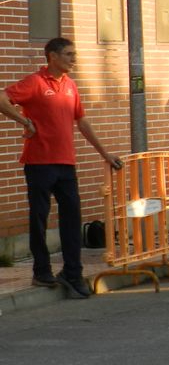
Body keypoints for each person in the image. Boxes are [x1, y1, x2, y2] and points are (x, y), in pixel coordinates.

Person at [0, 38, 123, 298]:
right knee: (39, 219)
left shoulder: (71, 86)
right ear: (52, 56)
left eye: (74, 54)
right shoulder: (35, 82)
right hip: (39, 163)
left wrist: (105, 153)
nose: (73, 58)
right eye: (68, 54)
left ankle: (72, 273)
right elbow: (2, 98)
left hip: (66, 164)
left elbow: (83, 122)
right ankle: (41, 272)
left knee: (72, 219)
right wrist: (24, 121)